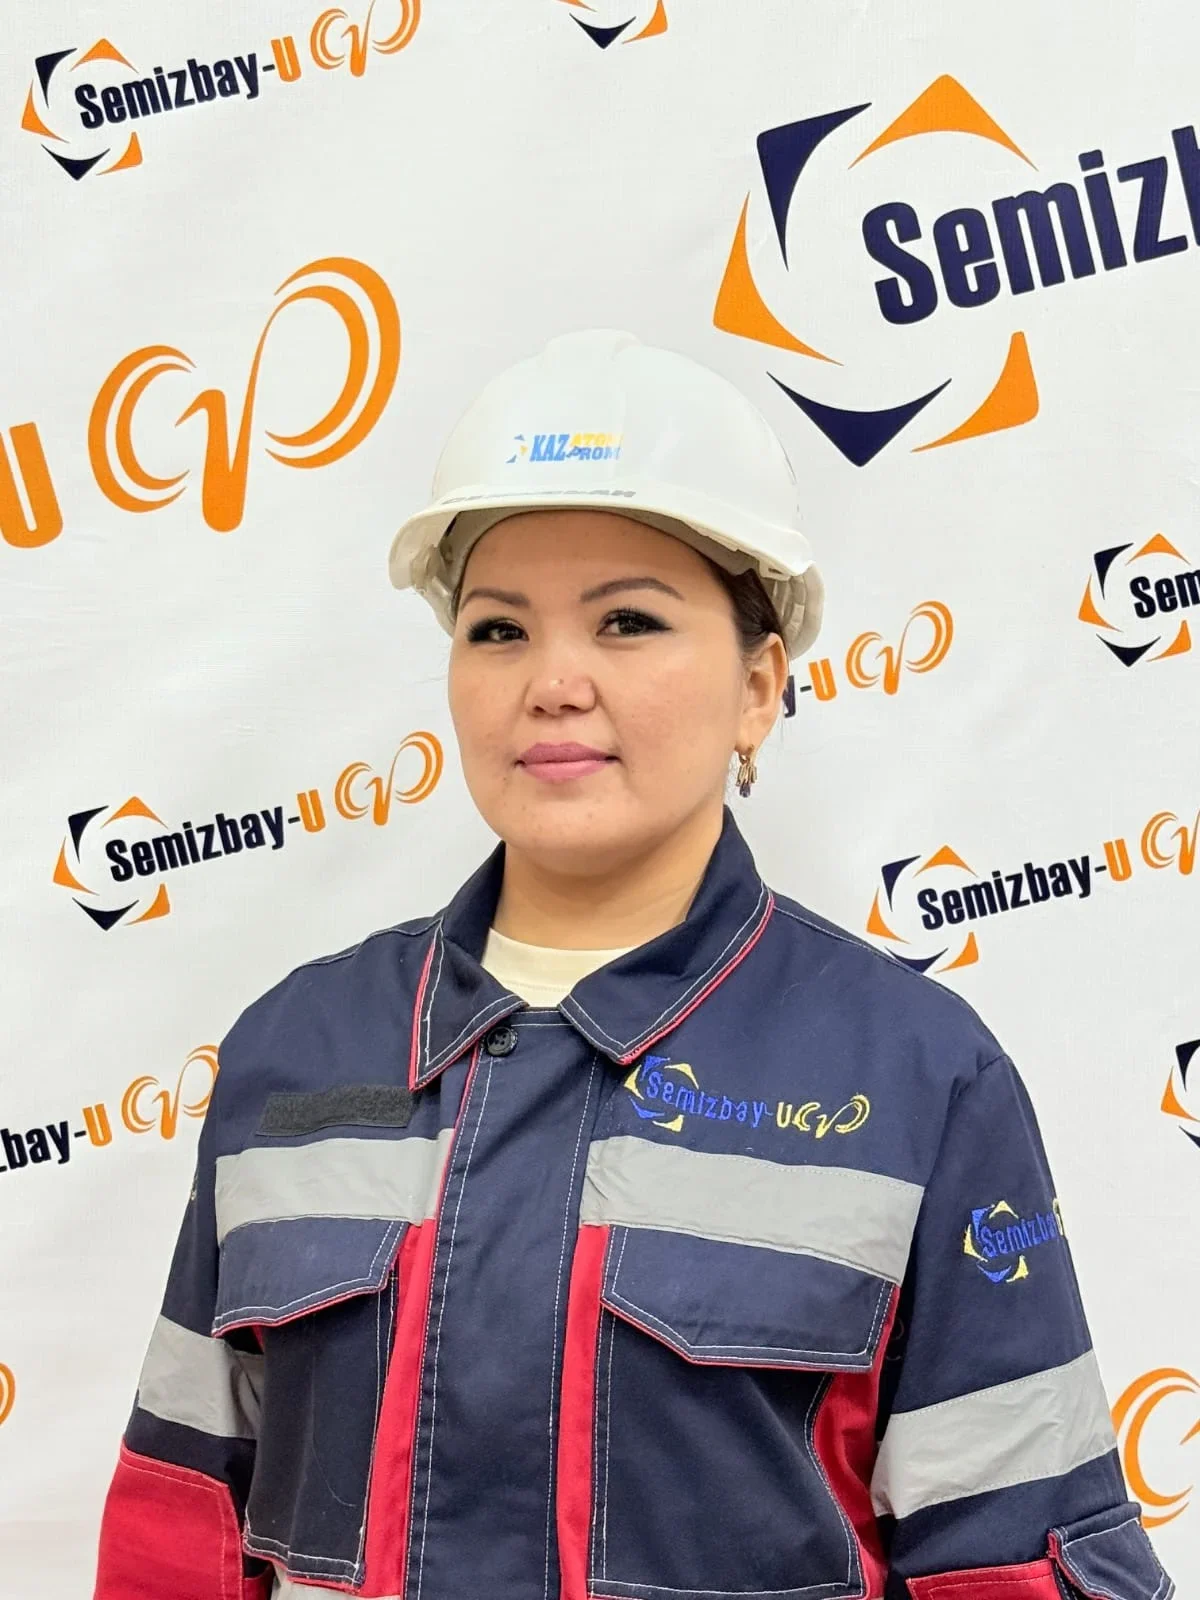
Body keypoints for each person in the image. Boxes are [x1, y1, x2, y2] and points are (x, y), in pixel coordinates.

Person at [93, 330, 1173, 1600]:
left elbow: (1013, 1559)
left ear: (760, 686)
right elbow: (179, 1533)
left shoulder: (916, 1078)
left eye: (628, 621)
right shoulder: (296, 1052)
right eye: (499, 629)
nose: (554, 682)